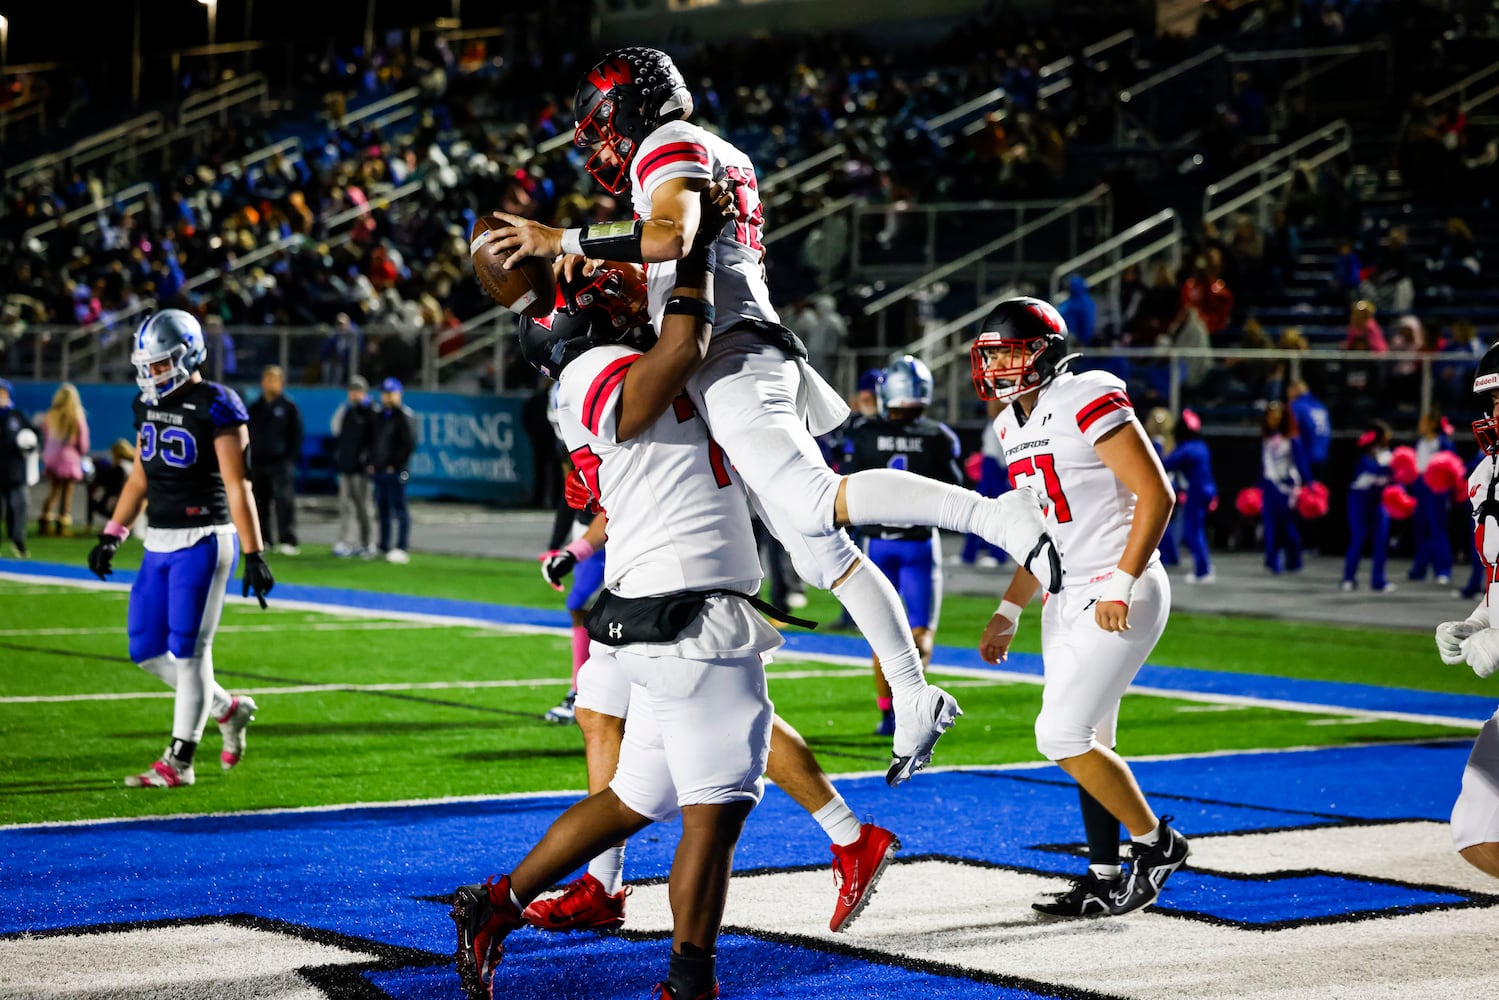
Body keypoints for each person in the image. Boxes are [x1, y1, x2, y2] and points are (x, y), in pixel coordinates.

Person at [489, 46, 1059, 785]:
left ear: (631, 105)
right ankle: (914, 694)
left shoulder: (668, 144)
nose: (598, 142)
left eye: (601, 123)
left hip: (730, 349)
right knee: (822, 556)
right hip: (735, 345)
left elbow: (672, 237)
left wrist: (561, 239)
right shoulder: (699, 150)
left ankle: (1002, 518)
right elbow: (672, 248)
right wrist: (603, 265)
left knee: (818, 501)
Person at [514, 228, 899, 960]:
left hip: (670, 576)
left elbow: (662, 384)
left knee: (707, 769)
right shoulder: (646, 354)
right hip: (654, 565)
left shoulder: (635, 362)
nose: (612, 288)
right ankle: (843, 837)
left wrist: (664, 257)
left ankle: (614, 902)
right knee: (640, 718)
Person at [453, 192, 780, 1000]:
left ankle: (496, 904)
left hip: (670, 596)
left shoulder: (593, 358)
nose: (619, 288)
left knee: (639, 795)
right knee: (720, 802)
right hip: (682, 605)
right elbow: (676, 350)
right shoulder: (590, 373)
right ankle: (688, 983)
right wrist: (697, 252)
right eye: (602, 293)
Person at [973, 296, 1188, 919]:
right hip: (1062, 594)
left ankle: (1158, 843)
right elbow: (1042, 525)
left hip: (1120, 587)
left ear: (1044, 352)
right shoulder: (1008, 424)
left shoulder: (1086, 391)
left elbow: (1156, 492)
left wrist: (1122, 581)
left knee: (1059, 734)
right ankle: (1103, 875)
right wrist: (1010, 608)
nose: (996, 366)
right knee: (1092, 739)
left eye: (1007, 352)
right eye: (990, 354)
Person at [86, 310, 274, 787]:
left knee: (190, 653)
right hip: (159, 539)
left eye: (160, 363)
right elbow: (140, 477)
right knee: (146, 648)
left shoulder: (218, 403)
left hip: (204, 538)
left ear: (188, 354)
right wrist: (113, 532)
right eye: (146, 364)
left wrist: (254, 553)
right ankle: (225, 708)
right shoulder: (145, 405)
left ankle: (179, 761)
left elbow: (238, 486)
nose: (151, 373)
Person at [845, 356, 963, 736]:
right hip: (918, 545)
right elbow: (958, 490)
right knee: (920, 633)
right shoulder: (939, 437)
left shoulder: (864, 434)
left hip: (876, 546)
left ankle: (888, 716)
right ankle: (912, 703)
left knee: (884, 635)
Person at [1432, 343, 1499, 881]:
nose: (1496, 414)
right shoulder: (1483, 477)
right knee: (1478, 831)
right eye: (1493, 400)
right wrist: (1479, 621)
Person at [247, 366, 303, 556]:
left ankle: (287, 539)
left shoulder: (288, 407)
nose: (270, 383)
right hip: (259, 462)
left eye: (274, 380)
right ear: (262, 382)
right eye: (267, 379)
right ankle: (264, 538)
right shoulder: (255, 407)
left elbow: (296, 435)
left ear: (281, 383)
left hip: (280, 462)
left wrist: (289, 459)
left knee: (284, 501)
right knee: (260, 502)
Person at [1163, 409, 1217, 583]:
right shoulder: (1202, 446)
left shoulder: (1186, 449)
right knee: (1197, 529)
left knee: (1192, 530)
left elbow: (1165, 465)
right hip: (1208, 490)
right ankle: (1205, 564)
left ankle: (1203, 570)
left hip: (1197, 491)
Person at [1341, 421, 1395, 593]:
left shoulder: (1388, 455)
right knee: (1357, 539)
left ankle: (1378, 580)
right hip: (1360, 501)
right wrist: (1396, 468)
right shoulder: (1364, 458)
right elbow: (1377, 470)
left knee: (1381, 541)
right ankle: (1348, 578)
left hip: (1379, 501)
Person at [958, 400, 1011, 568]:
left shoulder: (1006, 423)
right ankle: (968, 555)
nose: (988, 408)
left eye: (992, 406)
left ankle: (998, 556)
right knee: (975, 512)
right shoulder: (992, 423)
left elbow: (1004, 453)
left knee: (997, 515)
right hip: (989, 470)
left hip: (997, 472)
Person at [330, 375, 377, 558]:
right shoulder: (347, 411)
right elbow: (336, 431)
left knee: (364, 507)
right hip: (346, 466)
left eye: (358, 391)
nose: (355, 394)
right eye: (352, 391)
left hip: (362, 468)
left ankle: (368, 543)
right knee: (345, 507)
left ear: (365, 392)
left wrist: (370, 461)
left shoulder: (372, 412)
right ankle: (345, 542)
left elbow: (376, 440)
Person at [1260, 401, 1309, 575]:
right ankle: (1273, 561)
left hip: (1286, 486)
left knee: (1287, 526)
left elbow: (1301, 464)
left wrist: (1309, 485)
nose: (1272, 419)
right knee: (1270, 526)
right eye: (1269, 415)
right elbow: (1264, 464)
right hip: (1269, 486)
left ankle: (1294, 560)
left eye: (1276, 415)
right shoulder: (1266, 437)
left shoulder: (1292, 439)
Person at [370, 377, 415, 564]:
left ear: (399, 394)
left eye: (391, 394)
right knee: (382, 509)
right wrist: (373, 462)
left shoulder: (404, 416)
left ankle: (402, 547)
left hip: (396, 470)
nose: (387, 397)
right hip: (380, 469)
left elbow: (408, 445)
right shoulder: (380, 416)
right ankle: (384, 545)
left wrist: (394, 464)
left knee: (399, 508)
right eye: (385, 394)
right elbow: (374, 442)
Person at [1410, 411, 1457, 585]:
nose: (1419, 425)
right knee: (1420, 529)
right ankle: (1419, 569)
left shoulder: (1443, 443)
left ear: (1431, 424)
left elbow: (1452, 467)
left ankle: (1443, 570)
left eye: (1423, 422)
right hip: (1420, 486)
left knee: (1437, 529)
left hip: (1436, 488)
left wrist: (1447, 490)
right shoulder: (1420, 442)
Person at [39, 382, 90, 537]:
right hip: (69, 459)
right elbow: (83, 441)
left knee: (53, 491)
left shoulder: (50, 415)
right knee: (67, 492)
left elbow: (46, 438)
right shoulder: (76, 416)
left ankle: (45, 521)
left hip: (51, 458)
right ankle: (62, 524)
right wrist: (81, 452)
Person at [0, 378, 39, 557]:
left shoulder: (17, 415)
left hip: (16, 472)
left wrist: (32, 446)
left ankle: (18, 542)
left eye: (4, 393)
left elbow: (34, 434)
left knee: (19, 507)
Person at [1287, 378, 1331, 481]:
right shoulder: (1320, 405)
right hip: (1323, 455)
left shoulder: (1295, 406)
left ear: (1294, 390)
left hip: (1304, 457)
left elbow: (1294, 435)